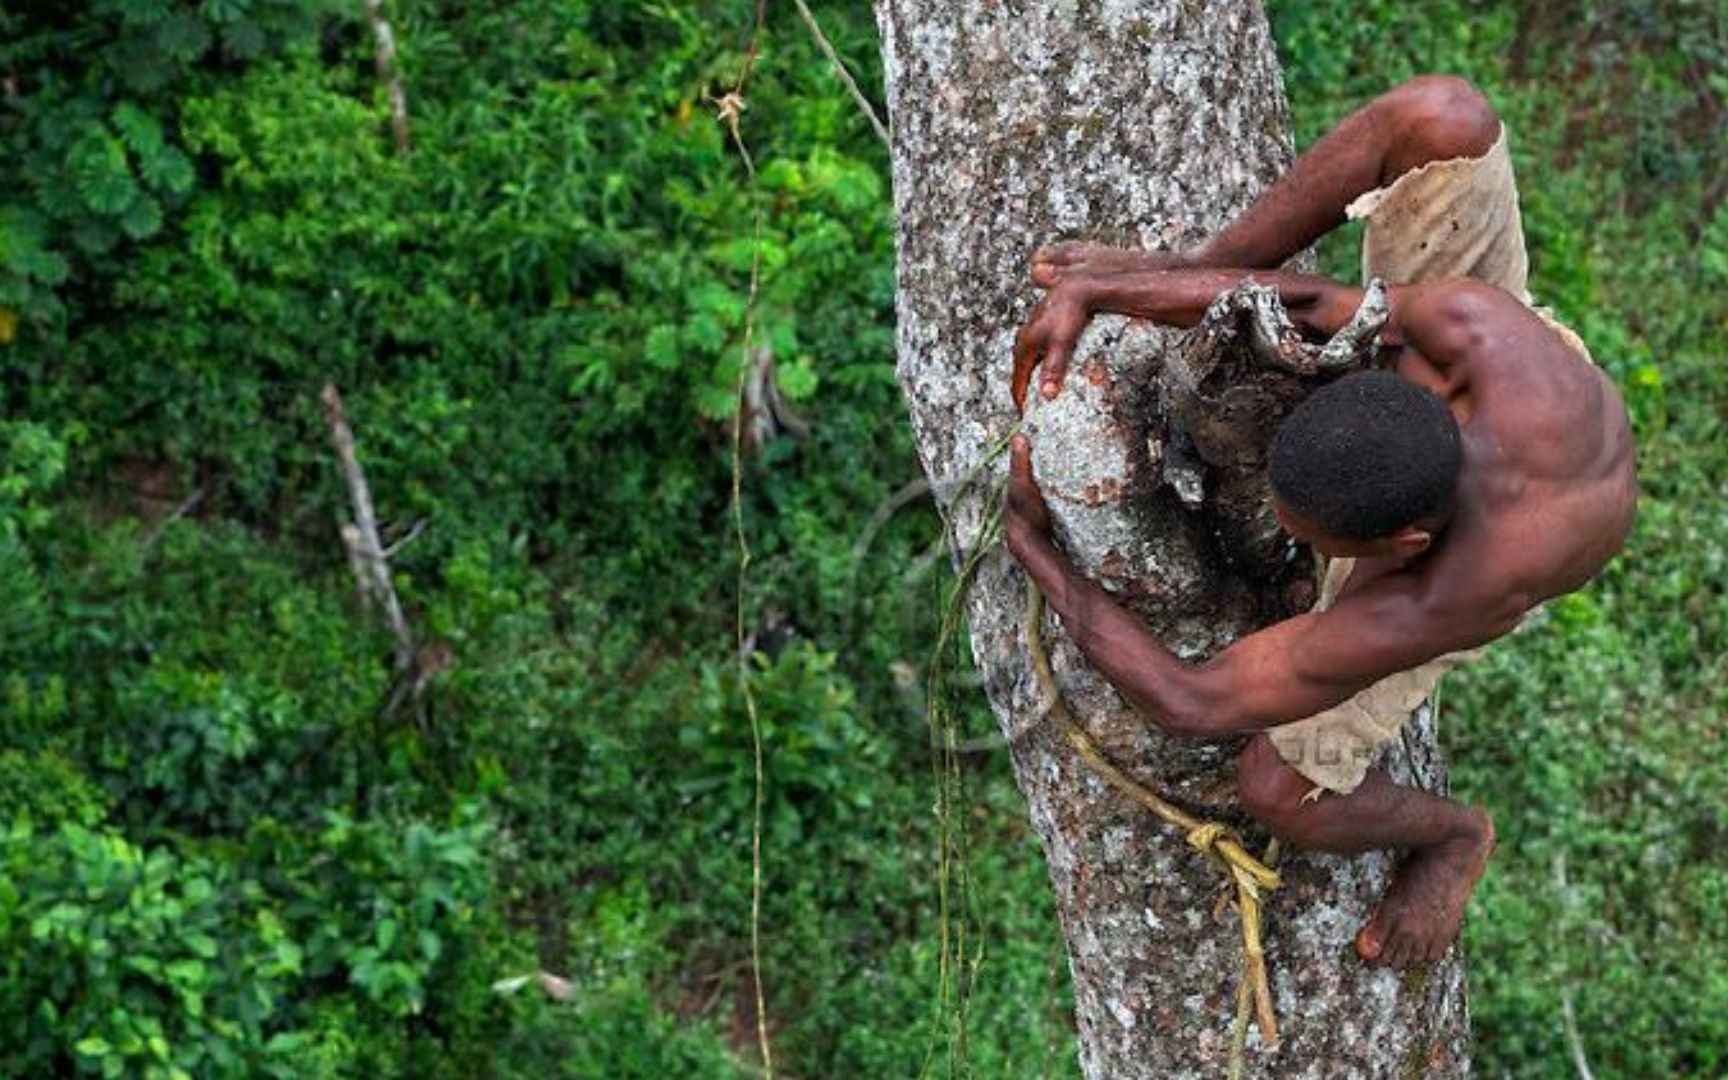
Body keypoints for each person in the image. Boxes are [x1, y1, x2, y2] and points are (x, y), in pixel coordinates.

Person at [1004, 75, 1637, 970]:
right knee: (1443, 117)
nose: (1280, 529)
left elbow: (1197, 699)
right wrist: (1123, 291)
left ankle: (1454, 837)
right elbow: (1304, 307)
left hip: (1526, 521)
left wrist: (1036, 549)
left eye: (1307, 536)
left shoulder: (1437, 596)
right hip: (1516, 408)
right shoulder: (1471, 327)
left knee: (1277, 786)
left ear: (1397, 550)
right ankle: (1188, 277)